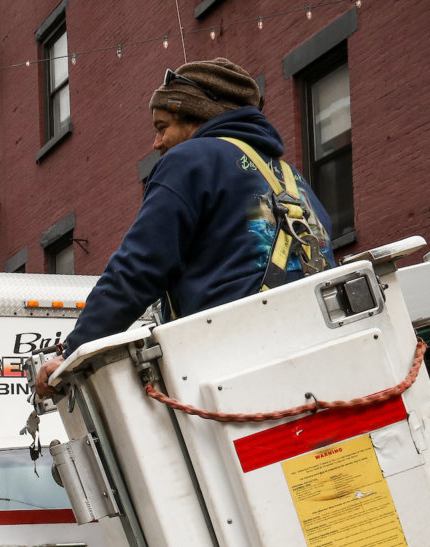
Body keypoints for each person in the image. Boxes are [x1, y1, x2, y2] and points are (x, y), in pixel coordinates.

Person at [35, 58, 335, 397]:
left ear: (197, 118)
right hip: (317, 359)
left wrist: (73, 352)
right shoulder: (291, 178)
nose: (156, 142)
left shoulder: (189, 160)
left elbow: (138, 268)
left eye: (162, 126)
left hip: (231, 366)